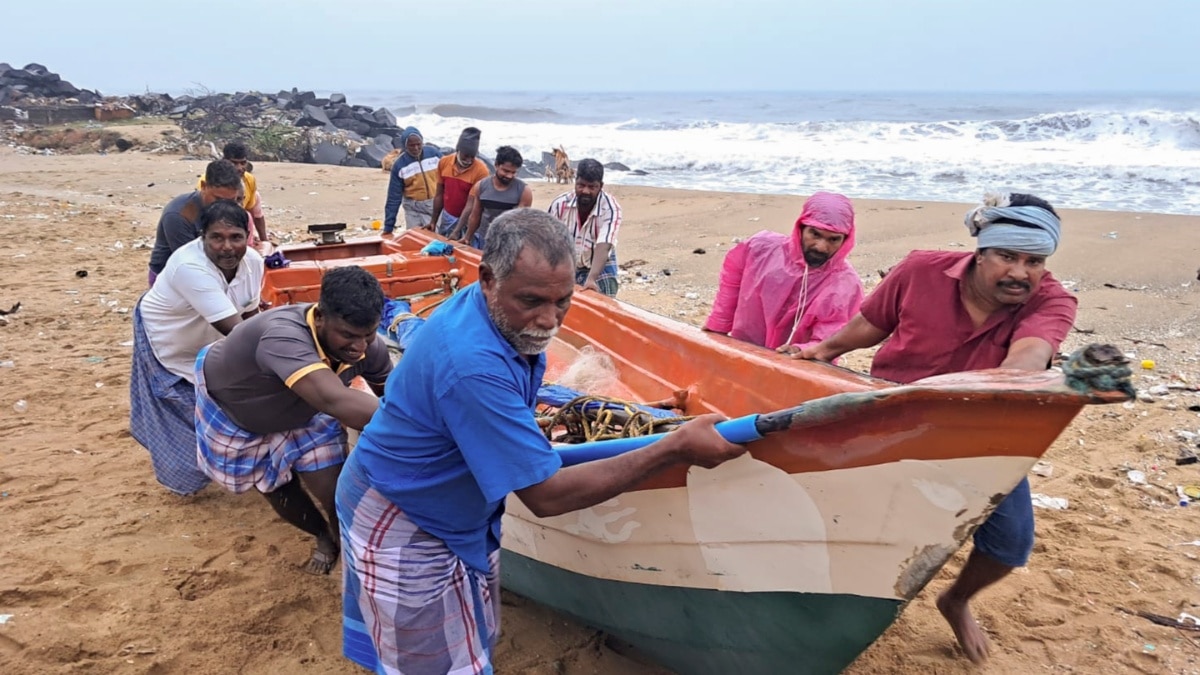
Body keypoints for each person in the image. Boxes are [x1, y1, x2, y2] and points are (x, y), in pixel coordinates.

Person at [336, 209, 747, 674]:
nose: (548, 321)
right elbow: (545, 497)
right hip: (404, 507)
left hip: (445, 499)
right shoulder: (473, 365)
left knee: (464, 635)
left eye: (563, 302)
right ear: (488, 278)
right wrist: (673, 448)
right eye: (531, 301)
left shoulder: (491, 313)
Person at [791, 192, 1076, 664]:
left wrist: (1015, 382)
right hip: (892, 414)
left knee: (1010, 545)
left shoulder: (1053, 300)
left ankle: (957, 599)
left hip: (984, 434)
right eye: (1007, 256)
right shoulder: (921, 269)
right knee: (846, 516)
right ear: (979, 253)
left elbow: (1028, 356)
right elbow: (870, 323)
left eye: (1034, 261)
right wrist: (820, 351)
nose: (1021, 273)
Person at [195, 266, 392, 575]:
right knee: (278, 487)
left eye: (368, 334)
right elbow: (335, 400)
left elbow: (393, 397)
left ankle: (346, 542)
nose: (360, 347)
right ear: (321, 316)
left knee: (335, 488)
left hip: (306, 410)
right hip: (240, 413)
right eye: (349, 336)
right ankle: (322, 536)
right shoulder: (282, 335)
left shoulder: (369, 346)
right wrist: (426, 427)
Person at [130, 200, 265, 495]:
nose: (227, 247)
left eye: (235, 238)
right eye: (216, 237)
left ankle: (234, 463)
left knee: (220, 404)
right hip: (169, 336)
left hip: (211, 341)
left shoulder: (254, 262)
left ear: (247, 237)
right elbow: (239, 332)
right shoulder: (190, 267)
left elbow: (251, 314)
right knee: (181, 411)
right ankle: (187, 478)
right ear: (201, 237)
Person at [703, 192, 862, 351]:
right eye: (814, 234)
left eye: (833, 239)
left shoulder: (845, 284)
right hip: (745, 350)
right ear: (801, 228)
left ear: (845, 240)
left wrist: (803, 350)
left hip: (799, 365)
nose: (821, 247)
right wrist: (718, 325)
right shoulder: (760, 249)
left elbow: (832, 337)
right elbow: (732, 285)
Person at [149, 159, 242, 286]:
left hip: (214, 270)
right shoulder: (179, 215)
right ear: (204, 186)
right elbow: (188, 263)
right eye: (218, 199)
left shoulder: (232, 209)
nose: (224, 206)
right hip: (171, 276)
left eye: (231, 200)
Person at [547, 159, 623, 297]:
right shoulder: (559, 205)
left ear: (600, 186)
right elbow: (548, 243)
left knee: (604, 294)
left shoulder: (611, 208)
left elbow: (604, 245)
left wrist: (591, 279)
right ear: (575, 182)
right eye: (581, 185)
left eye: (592, 187)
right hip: (568, 259)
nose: (585, 191)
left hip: (599, 258)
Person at [456, 145, 533, 248]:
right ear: (496, 165)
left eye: (513, 172)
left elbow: (520, 223)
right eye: (506, 171)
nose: (509, 176)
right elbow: (475, 215)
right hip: (484, 239)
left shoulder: (524, 191)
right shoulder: (481, 186)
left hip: (508, 244)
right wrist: (467, 237)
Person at [196, 141, 269, 246]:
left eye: (243, 163)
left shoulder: (249, 180)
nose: (239, 168)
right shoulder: (210, 182)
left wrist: (264, 242)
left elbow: (252, 212)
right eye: (234, 163)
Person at [428, 127, 490, 238]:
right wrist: (433, 221)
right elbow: (439, 194)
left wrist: (457, 230)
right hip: (448, 216)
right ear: (458, 150)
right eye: (466, 156)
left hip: (469, 220)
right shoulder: (444, 162)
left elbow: (471, 205)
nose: (469, 160)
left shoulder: (481, 171)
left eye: (472, 156)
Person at [382, 126, 441, 234]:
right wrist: (388, 227)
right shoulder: (399, 165)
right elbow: (393, 197)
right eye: (411, 145)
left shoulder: (434, 154)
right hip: (413, 208)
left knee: (435, 239)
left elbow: (448, 176)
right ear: (405, 146)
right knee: (416, 239)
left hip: (434, 206)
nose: (416, 148)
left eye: (419, 144)